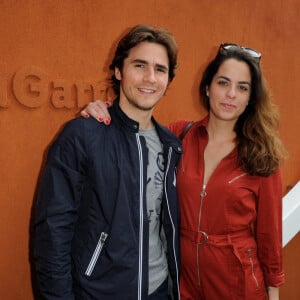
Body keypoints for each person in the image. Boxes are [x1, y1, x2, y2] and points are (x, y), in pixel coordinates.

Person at [81, 43, 286, 299]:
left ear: (251, 98)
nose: (231, 94)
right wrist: (104, 112)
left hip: (238, 284)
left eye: (242, 87)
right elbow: (134, 133)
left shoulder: (262, 155)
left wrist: (273, 292)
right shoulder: (179, 135)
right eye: (223, 83)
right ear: (207, 88)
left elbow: (269, 235)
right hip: (183, 282)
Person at [34, 24, 183, 300]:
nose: (150, 78)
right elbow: (52, 233)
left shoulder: (171, 145)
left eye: (160, 69)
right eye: (139, 65)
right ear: (118, 71)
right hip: (99, 293)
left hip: (160, 292)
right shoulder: (82, 135)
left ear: (168, 80)